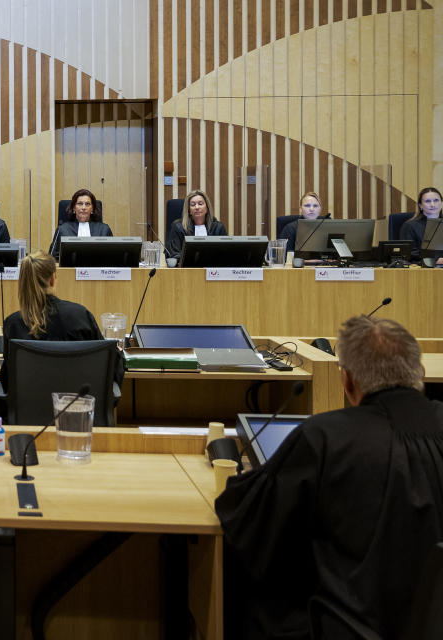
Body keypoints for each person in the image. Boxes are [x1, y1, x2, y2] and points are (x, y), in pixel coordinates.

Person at [215, 315, 443, 638]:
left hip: (349, 626)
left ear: (347, 382)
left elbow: (249, 521)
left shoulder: (324, 438)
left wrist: (228, 467)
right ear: (419, 374)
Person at [0, 252, 104, 385]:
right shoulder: (80, 315)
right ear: (52, 279)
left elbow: (7, 379)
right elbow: (107, 361)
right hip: (77, 402)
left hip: (31, 404)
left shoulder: (13, 323)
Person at [48, 188, 113, 260]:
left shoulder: (104, 229)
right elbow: (51, 259)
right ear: (73, 208)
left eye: (87, 204)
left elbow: (113, 256)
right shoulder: (63, 229)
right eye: (80, 204)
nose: (83, 207)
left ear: (92, 209)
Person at [163, 189, 227, 262]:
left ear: (207, 208)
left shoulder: (218, 228)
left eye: (200, 204)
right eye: (193, 205)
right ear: (189, 210)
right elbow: (174, 254)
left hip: (213, 270)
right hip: (187, 270)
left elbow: (225, 254)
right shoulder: (178, 228)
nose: (197, 207)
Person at [400, 186, 443, 264]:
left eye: (436, 200)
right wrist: (436, 260)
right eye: (427, 201)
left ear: (441, 203)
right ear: (420, 205)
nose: (433, 204)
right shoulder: (409, 226)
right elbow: (410, 253)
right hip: (421, 268)